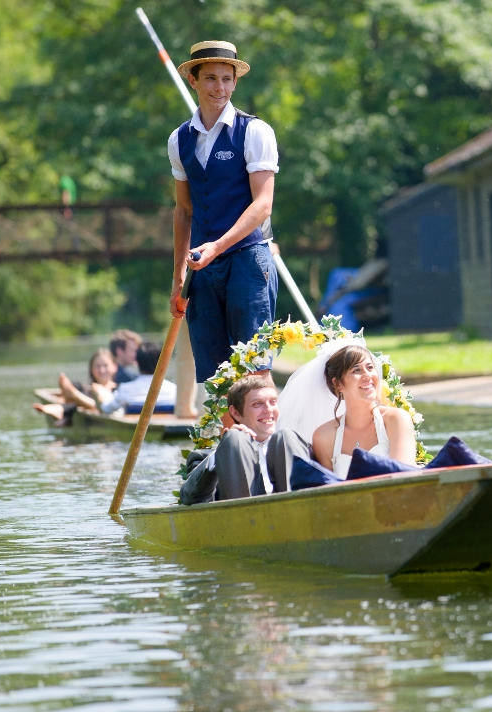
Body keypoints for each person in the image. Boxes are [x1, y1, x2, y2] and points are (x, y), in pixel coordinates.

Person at [168, 40, 279, 384]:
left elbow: (262, 205)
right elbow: (184, 211)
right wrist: (177, 278)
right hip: (203, 268)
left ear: (235, 82)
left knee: (254, 369)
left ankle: (262, 438)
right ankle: (226, 440)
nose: (220, 88)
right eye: (212, 78)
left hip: (248, 259)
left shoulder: (255, 132)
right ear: (194, 81)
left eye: (227, 79)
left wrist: (218, 246)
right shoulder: (179, 139)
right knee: (217, 379)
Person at [274, 338, 416, 479]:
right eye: (357, 370)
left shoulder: (396, 420)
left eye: (370, 367)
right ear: (338, 384)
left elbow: (404, 476)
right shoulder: (324, 437)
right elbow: (326, 487)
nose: (368, 375)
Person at [179, 374, 311, 504]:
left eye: (273, 402)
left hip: (293, 516)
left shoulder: (295, 444)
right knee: (235, 438)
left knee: (285, 436)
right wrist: (224, 449)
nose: (268, 410)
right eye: (257, 404)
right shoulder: (204, 458)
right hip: (242, 520)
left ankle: (296, 507)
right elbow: (189, 497)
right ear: (235, 412)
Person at [32, 347, 119, 424]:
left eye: (105, 366)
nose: (102, 370)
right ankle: (68, 404)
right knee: (78, 387)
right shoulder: (86, 389)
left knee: (82, 393)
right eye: (97, 366)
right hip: (87, 395)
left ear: (114, 367)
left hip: (105, 407)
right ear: (91, 369)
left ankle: (64, 407)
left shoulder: (119, 389)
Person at [95, 341, 176, 415]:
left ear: (136, 361)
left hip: (134, 430)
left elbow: (106, 409)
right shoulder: (174, 390)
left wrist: (101, 393)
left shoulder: (125, 389)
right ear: (163, 362)